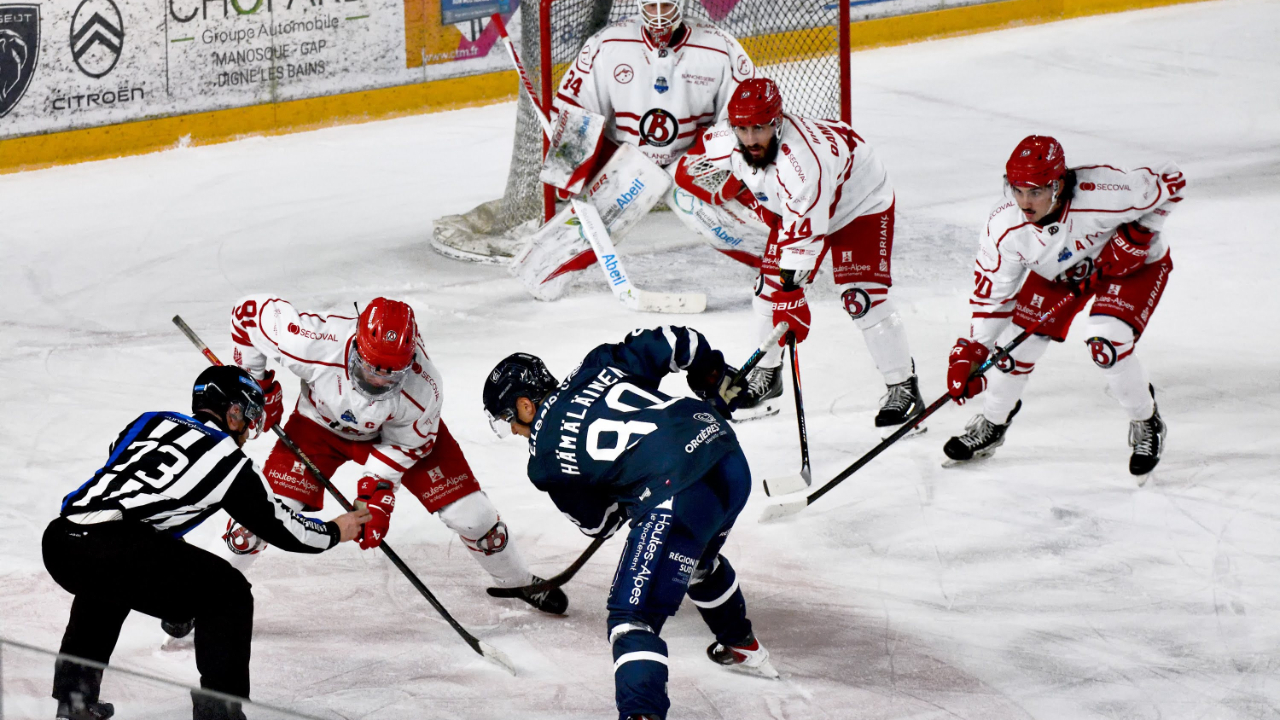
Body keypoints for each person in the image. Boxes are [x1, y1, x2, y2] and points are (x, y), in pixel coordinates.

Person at [483, 326, 777, 720]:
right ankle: (740, 644)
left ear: (524, 406)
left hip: (679, 492)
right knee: (695, 560)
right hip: (725, 454)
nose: (515, 432)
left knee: (631, 619)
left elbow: (598, 524)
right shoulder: (597, 365)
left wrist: (620, 490)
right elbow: (678, 341)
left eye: (508, 422)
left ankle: (642, 714)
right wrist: (711, 376)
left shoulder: (543, 463)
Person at [44, 366, 369, 720]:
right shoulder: (230, 461)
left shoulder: (150, 421)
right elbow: (281, 529)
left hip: (62, 540)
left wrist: (175, 595)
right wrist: (337, 529)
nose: (248, 430)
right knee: (228, 592)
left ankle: (74, 700)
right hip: (116, 546)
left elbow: (135, 488)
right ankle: (219, 713)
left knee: (106, 582)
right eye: (249, 418)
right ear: (233, 413)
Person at [218, 294, 567, 614]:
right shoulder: (310, 340)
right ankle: (207, 593)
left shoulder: (424, 387)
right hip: (317, 429)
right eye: (370, 367)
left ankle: (517, 579)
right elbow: (247, 315)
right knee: (253, 523)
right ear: (355, 343)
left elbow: (410, 443)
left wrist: (377, 490)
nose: (378, 382)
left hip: (397, 435)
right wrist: (256, 387)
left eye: (391, 374)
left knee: (473, 516)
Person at [671, 77, 923, 426]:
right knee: (766, 291)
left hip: (858, 201)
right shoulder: (728, 140)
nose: (749, 139)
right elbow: (695, 160)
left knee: (861, 297)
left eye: (758, 128)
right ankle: (767, 379)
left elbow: (806, 238)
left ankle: (903, 388)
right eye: (742, 129)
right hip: (806, 205)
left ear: (777, 122)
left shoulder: (802, 165)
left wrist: (792, 295)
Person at [944, 135, 1184, 476]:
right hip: (1060, 272)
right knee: (1012, 350)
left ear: (1057, 185)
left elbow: (1171, 178)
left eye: (1036, 191)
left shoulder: (1104, 192)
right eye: (1017, 190)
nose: (1025, 203)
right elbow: (994, 295)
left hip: (1132, 268)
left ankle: (1146, 422)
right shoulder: (1005, 229)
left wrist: (1141, 233)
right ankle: (993, 422)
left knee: (1108, 344)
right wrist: (975, 350)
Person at [491, 0, 762, 297]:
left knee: (712, 215)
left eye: (666, 6)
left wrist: (726, 165)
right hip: (627, 156)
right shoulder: (608, 44)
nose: (659, 17)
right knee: (601, 212)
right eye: (652, 6)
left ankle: (774, 259)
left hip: (690, 156)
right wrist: (569, 165)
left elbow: (744, 114)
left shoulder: (719, 48)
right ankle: (541, 271)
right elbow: (576, 108)